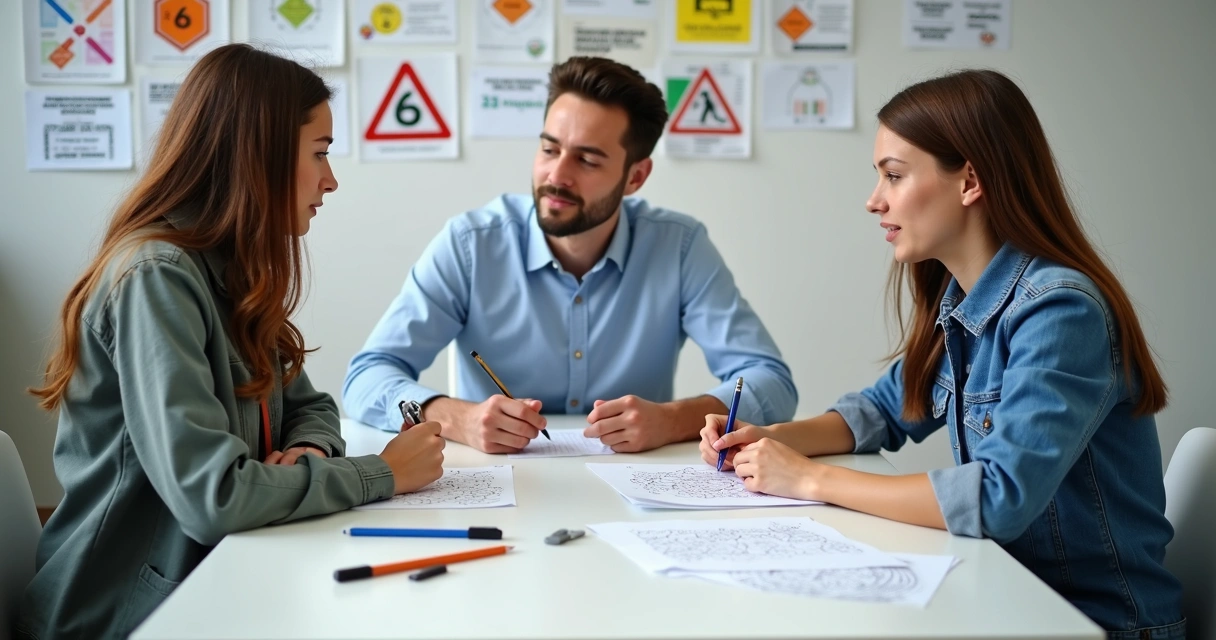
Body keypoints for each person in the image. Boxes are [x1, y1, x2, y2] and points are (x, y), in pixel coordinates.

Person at [700, 69, 1185, 638]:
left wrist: (808, 480)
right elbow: (880, 413)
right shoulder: (963, 303)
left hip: (1092, 622)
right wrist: (766, 439)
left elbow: (999, 498)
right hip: (1008, 599)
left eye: (894, 176)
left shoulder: (1060, 312)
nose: (873, 201)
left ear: (970, 181)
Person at [17, 44, 445, 640]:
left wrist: (310, 456)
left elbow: (312, 408)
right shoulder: (157, 279)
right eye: (319, 154)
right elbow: (214, 498)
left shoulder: (232, 272)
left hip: (212, 580)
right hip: (120, 616)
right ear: (258, 157)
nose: (332, 179)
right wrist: (381, 474)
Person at [343, 56, 796, 454]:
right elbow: (367, 377)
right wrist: (452, 416)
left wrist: (673, 419)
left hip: (633, 495)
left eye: (588, 160)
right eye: (548, 148)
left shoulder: (678, 247)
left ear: (636, 176)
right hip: (502, 492)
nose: (556, 175)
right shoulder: (471, 244)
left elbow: (769, 380)